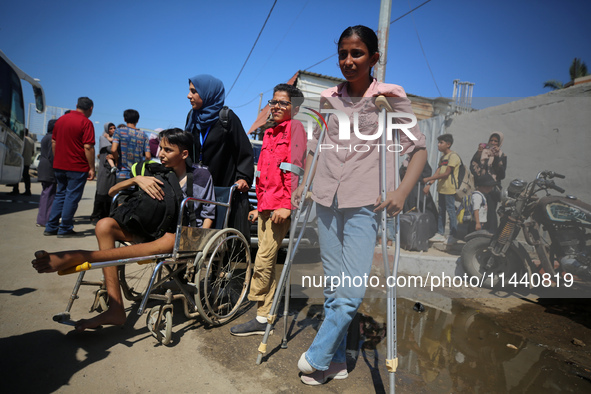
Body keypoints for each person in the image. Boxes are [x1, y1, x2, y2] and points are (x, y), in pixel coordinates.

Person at [292, 25, 427, 386]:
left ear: (374, 58)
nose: (348, 61)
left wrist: (400, 192)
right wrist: (305, 183)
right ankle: (334, 361)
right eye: (343, 54)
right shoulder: (327, 98)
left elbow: (418, 149)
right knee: (335, 287)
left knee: (350, 290)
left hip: (366, 201)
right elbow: (316, 146)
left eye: (357, 54)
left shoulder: (391, 95)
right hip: (325, 197)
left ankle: (315, 357)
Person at [32, 128, 215, 331]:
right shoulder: (155, 170)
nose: (160, 153)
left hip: (182, 235)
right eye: (160, 148)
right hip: (153, 229)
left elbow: (208, 214)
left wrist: (198, 241)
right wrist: (136, 179)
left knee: (170, 239)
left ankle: (80, 256)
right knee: (104, 225)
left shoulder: (201, 175)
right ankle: (116, 308)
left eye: (168, 150)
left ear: (184, 154)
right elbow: (112, 191)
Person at [230, 84, 306, 336]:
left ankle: (260, 311)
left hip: (280, 207)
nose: (275, 107)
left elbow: (295, 170)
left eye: (282, 103)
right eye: (273, 102)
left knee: (263, 259)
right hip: (265, 206)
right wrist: (258, 205)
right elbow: (263, 173)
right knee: (267, 259)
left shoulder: (295, 129)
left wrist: (287, 205)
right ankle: (264, 315)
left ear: (294, 108)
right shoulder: (270, 132)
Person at [185, 74, 254, 240]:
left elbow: (244, 150)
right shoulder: (192, 117)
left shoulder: (227, 118)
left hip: (221, 184)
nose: (189, 96)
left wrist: (243, 177)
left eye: (194, 92)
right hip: (198, 185)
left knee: (219, 231)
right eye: (189, 91)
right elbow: (186, 148)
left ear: (208, 94)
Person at [44, 97, 96, 238]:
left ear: (76, 105)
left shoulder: (61, 120)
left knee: (60, 194)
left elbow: (54, 142)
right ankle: (65, 228)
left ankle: (51, 226)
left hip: (59, 165)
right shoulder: (86, 122)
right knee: (71, 197)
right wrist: (91, 168)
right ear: (90, 108)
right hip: (77, 166)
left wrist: (58, 159)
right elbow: (88, 147)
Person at [423, 134, 461, 245]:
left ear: (448, 144)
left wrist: (429, 178)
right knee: (441, 211)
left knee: (450, 211)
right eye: (438, 143)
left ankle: (453, 235)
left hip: (450, 189)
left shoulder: (453, 156)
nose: (438, 145)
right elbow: (438, 171)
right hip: (441, 188)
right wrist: (430, 184)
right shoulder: (443, 158)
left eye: (441, 143)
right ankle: (440, 233)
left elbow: (446, 174)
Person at [470, 132, 507, 232]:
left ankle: (489, 236)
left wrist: (496, 158)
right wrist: (478, 153)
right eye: (491, 140)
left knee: (490, 212)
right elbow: (473, 167)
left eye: (496, 141)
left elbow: (502, 175)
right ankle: (476, 235)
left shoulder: (502, 155)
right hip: (481, 187)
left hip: (492, 189)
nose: (493, 143)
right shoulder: (482, 153)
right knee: (477, 210)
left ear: (499, 143)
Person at [111, 109, 151, 181]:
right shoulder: (144, 135)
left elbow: (113, 149)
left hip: (122, 172)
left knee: (121, 192)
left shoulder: (119, 131)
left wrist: (117, 161)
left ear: (124, 119)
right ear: (137, 120)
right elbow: (148, 156)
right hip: (137, 174)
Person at [90, 123, 117, 225]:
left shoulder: (113, 139)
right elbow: (111, 149)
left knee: (109, 194)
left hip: (112, 171)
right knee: (101, 193)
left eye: (114, 128)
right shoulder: (103, 138)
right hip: (104, 171)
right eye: (111, 128)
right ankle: (95, 216)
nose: (113, 130)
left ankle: (105, 216)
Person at [36, 120, 58, 226]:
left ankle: (43, 218)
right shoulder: (51, 138)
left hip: (44, 167)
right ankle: (44, 220)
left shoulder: (46, 137)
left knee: (46, 193)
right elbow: (52, 155)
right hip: (49, 168)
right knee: (48, 194)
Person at [9, 128, 35, 195]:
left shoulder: (21, 139)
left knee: (16, 174)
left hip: (19, 160)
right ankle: (28, 190)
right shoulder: (32, 141)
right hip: (27, 161)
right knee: (26, 176)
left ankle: (15, 189)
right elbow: (33, 153)